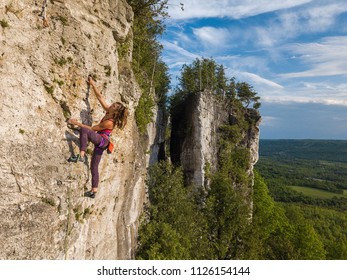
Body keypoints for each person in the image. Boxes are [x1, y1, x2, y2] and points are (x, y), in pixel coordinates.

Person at [67, 76, 128, 198]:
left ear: (115, 111)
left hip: (103, 141)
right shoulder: (108, 112)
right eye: (113, 104)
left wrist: (77, 123)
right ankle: (94, 191)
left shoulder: (110, 121)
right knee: (94, 166)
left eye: (114, 106)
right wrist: (92, 84)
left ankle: (81, 155)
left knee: (84, 129)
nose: (111, 105)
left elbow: (92, 129)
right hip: (100, 142)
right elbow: (100, 97)